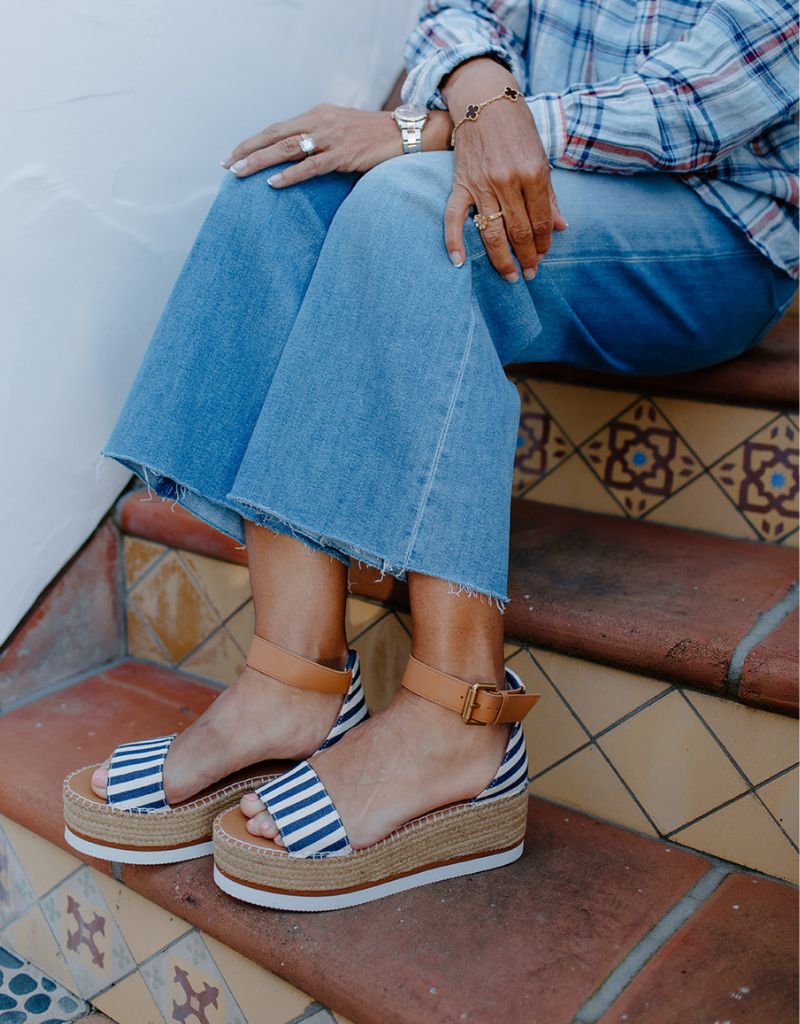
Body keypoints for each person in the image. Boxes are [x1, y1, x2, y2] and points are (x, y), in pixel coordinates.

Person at [63, 0, 798, 909]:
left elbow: (702, 105)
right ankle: (293, 683)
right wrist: (480, 97)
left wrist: (446, 129)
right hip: (509, 147)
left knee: (417, 212)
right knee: (279, 188)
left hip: (714, 224)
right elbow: (455, 14)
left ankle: (460, 721)